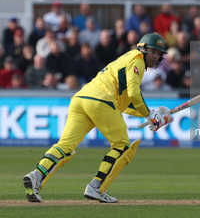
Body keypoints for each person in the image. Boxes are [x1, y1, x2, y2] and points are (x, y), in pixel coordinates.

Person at [23, 33, 174, 203]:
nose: (155, 56)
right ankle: (96, 188)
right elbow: (134, 92)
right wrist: (150, 115)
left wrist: (154, 113)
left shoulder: (126, 59)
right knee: (122, 146)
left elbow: (125, 103)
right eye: (152, 51)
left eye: (158, 53)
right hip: (102, 101)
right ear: (142, 48)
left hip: (81, 99)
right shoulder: (137, 59)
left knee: (65, 146)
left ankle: (36, 176)